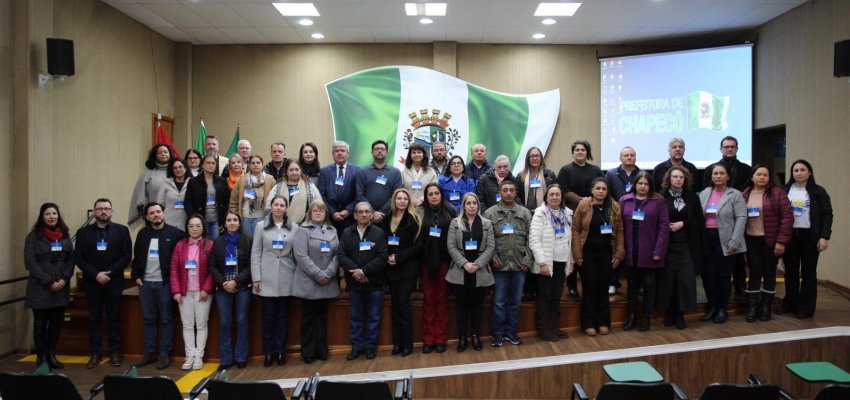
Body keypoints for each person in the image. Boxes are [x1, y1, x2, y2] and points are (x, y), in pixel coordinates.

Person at [74, 198, 132, 369]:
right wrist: (96, 274)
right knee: (94, 318)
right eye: (100, 209)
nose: (103, 211)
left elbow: (126, 255)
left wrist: (110, 273)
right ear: (94, 212)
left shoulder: (121, 231)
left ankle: (115, 353)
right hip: (92, 282)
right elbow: (79, 257)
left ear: (112, 211)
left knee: (114, 317)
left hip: (114, 281)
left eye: (107, 208)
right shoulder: (83, 233)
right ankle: (95, 353)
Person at [131, 202, 186, 369]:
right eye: (152, 213)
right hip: (145, 283)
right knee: (148, 319)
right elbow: (137, 256)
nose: (156, 215)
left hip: (165, 284)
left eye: (158, 211)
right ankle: (149, 353)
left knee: (167, 319)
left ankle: (164, 354)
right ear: (147, 217)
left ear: (163, 213)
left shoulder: (175, 234)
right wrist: (136, 276)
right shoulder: (142, 234)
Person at [779, 160, 832, 319]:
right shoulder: (785, 190)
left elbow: (827, 215)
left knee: (808, 272)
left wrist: (824, 237)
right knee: (791, 271)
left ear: (809, 172)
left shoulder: (818, 191)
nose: (799, 173)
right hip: (790, 236)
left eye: (803, 170)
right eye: (796, 170)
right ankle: (790, 303)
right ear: (792, 173)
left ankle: (806, 307)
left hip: (810, 236)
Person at [24, 203, 75, 370]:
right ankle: (41, 357)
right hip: (41, 288)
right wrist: (49, 281)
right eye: (48, 214)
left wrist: (64, 279)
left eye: (54, 213)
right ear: (42, 216)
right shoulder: (33, 236)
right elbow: (30, 262)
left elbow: (70, 260)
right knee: (40, 323)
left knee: (56, 323)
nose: (52, 216)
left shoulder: (65, 235)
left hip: (61, 287)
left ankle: (51, 354)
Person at [572, 179, 624, 336]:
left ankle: (603, 322)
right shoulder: (584, 205)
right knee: (589, 288)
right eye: (598, 188)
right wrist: (576, 253)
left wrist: (619, 254)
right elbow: (575, 229)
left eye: (604, 189)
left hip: (607, 254)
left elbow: (620, 231)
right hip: (587, 254)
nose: (601, 191)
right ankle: (588, 323)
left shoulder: (614, 207)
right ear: (592, 190)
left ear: (607, 191)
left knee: (603, 288)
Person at [482, 180, 532, 347]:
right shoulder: (489, 214)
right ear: (500, 192)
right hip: (499, 266)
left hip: (519, 265)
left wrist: (527, 261)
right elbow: (487, 240)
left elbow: (531, 239)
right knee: (498, 302)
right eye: (505, 190)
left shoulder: (525, 213)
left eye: (511, 190)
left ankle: (511, 332)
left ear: (515, 193)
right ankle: (498, 334)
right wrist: (492, 257)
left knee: (515, 302)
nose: (509, 193)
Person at [619, 171, 670, 332]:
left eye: (646, 184)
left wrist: (659, 251)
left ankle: (645, 319)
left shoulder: (658, 201)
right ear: (635, 184)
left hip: (650, 252)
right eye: (640, 183)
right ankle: (631, 317)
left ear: (650, 185)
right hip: (630, 251)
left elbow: (664, 227)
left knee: (649, 286)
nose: (642, 186)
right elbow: (619, 226)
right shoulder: (624, 200)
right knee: (632, 286)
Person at [337, 202, 388, 361]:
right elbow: (341, 255)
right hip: (354, 283)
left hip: (374, 283)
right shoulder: (347, 232)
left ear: (372, 214)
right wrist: (357, 272)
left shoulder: (379, 233)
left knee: (373, 317)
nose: (364, 214)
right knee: (356, 317)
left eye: (367, 212)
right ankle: (356, 347)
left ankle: (370, 347)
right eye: (361, 212)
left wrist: (365, 271)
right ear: (355, 215)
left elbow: (382, 257)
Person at [741, 164, 793, 322]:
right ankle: (752, 307)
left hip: (770, 240)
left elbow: (787, 217)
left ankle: (765, 307)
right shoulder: (745, 194)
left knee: (770, 272)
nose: (762, 177)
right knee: (755, 272)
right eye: (758, 174)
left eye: (765, 175)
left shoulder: (778, 194)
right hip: (750, 239)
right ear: (752, 177)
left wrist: (781, 241)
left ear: (769, 178)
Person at [251, 195, 298, 367]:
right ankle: (268, 353)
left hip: (287, 278)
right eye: (276, 204)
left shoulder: (294, 227)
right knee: (268, 319)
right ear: (271, 206)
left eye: (282, 205)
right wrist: (256, 277)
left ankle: (280, 352)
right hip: (266, 279)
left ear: (286, 208)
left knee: (283, 319)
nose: (278, 208)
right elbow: (255, 253)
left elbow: (296, 254)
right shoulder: (260, 226)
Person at [702, 136, 752, 295]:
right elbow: (706, 192)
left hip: (734, 216)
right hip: (714, 221)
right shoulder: (711, 168)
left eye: (732, 146)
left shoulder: (746, 169)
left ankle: (740, 285)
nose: (729, 149)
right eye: (726, 146)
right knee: (713, 266)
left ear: (737, 148)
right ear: (721, 149)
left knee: (736, 257)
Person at [446, 193, 495, 352]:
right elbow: (451, 246)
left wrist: (478, 264)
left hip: (480, 272)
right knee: (461, 307)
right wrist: (465, 264)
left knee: (477, 306)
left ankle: (475, 336)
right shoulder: (455, 223)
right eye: (469, 203)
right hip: (461, 271)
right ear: (464, 205)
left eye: (474, 203)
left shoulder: (487, 223)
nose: (472, 206)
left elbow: (490, 247)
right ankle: (462, 337)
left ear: (478, 206)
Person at [657, 166, 705, 330]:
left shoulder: (692, 197)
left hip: (686, 244)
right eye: (675, 177)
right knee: (668, 280)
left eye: (681, 177)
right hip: (666, 245)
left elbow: (698, 221)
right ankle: (670, 313)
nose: (678, 179)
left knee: (684, 280)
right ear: (668, 179)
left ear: (686, 180)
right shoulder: (660, 197)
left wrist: (682, 223)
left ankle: (680, 314)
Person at [699, 162, 747, 324]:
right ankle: (712, 307)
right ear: (711, 177)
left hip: (726, 239)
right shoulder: (705, 193)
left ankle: (722, 309)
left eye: (721, 173)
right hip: (707, 238)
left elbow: (741, 218)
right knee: (708, 276)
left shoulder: (735, 194)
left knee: (723, 276)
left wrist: (735, 240)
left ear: (728, 177)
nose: (718, 176)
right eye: (715, 174)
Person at [292, 202, 340, 364]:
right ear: (310, 213)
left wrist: (328, 273)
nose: (318, 213)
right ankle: (308, 351)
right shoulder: (302, 230)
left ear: (326, 213)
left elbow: (337, 255)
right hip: (309, 282)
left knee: (322, 317)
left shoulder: (333, 230)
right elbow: (301, 256)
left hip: (327, 281)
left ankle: (321, 350)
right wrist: (319, 274)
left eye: (321, 211)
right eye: (315, 211)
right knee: (308, 318)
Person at [557, 139, 603, 298]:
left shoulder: (596, 170)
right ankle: (571, 285)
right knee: (573, 247)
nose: (580, 152)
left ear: (587, 152)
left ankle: (590, 284)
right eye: (577, 150)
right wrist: (583, 201)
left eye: (583, 150)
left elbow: (601, 188)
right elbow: (563, 189)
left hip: (592, 215)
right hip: (572, 214)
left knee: (588, 248)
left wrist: (589, 202)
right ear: (572, 152)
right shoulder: (566, 169)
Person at [529, 185, 575, 341]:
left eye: (557, 194)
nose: (555, 197)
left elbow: (570, 240)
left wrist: (571, 262)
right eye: (551, 195)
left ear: (561, 197)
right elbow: (534, 240)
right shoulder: (540, 214)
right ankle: (544, 329)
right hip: (547, 262)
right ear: (546, 197)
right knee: (545, 296)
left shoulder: (568, 214)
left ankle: (554, 327)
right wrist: (542, 263)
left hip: (562, 261)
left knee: (556, 296)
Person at [381, 189, 422, 357]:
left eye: (406, 198)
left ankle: (407, 344)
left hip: (407, 268)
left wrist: (398, 257)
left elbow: (418, 246)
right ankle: (397, 343)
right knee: (395, 307)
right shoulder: (387, 218)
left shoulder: (414, 219)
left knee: (403, 305)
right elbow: (381, 241)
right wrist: (388, 257)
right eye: (400, 198)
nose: (403, 201)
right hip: (391, 269)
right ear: (394, 200)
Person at [209, 211, 253, 370]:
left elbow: (250, 265)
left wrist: (236, 281)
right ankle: (226, 359)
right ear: (224, 224)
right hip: (222, 288)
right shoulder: (218, 242)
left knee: (242, 322)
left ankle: (241, 357)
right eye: (229, 220)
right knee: (225, 323)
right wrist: (223, 282)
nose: (232, 222)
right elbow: (212, 266)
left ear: (240, 223)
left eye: (235, 220)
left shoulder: (247, 241)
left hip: (242, 287)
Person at [170, 215, 214, 370]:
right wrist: (176, 291)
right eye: (191, 226)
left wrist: (206, 289)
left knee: (201, 325)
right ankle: (189, 355)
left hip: (202, 292)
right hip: (184, 292)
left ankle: (198, 356)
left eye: (197, 226)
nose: (194, 229)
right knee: (187, 325)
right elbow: (174, 269)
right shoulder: (180, 245)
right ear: (187, 228)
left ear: (203, 227)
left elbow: (212, 270)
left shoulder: (210, 245)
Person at [419, 183, 457, 353]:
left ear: (441, 194)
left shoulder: (450, 212)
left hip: (444, 263)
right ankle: (428, 339)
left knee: (441, 301)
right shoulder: (420, 213)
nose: (434, 196)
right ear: (425, 197)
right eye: (430, 194)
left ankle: (440, 338)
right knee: (428, 301)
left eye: (436, 193)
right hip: (426, 264)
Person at [515, 146, 556, 302]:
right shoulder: (521, 175)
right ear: (528, 158)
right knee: (528, 250)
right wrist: (525, 211)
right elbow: (517, 196)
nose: (534, 158)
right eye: (531, 156)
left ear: (541, 157)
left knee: (542, 249)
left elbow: (554, 194)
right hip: (526, 216)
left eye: (537, 156)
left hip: (544, 215)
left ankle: (540, 287)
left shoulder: (549, 174)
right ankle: (528, 288)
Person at [605, 146, 639, 295]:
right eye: (626, 155)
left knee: (635, 251)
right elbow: (606, 195)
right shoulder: (611, 174)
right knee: (615, 251)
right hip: (616, 218)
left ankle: (637, 285)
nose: (629, 158)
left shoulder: (641, 174)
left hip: (636, 219)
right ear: (620, 158)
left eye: (632, 155)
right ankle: (613, 282)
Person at [318, 141, 361, 234]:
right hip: (330, 219)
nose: (339, 153)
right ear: (332, 154)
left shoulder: (358, 171)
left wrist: (348, 210)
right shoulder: (324, 171)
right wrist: (332, 212)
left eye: (342, 150)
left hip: (350, 218)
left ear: (348, 153)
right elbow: (321, 195)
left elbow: (359, 194)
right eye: (336, 151)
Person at [356, 140, 402, 224]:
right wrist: (372, 212)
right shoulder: (363, 171)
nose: (379, 151)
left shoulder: (395, 172)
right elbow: (359, 194)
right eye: (376, 149)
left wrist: (382, 213)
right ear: (372, 152)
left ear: (387, 152)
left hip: (389, 217)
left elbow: (396, 195)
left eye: (382, 149)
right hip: (367, 217)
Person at [229, 154, 275, 238]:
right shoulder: (242, 179)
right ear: (249, 166)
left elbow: (275, 199)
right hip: (245, 216)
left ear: (262, 165)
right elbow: (233, 200)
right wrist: (236, 216)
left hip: (262, 216)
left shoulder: (270, 179)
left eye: (258, 162)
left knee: (259, 242)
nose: (255, 165)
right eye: (253, 163)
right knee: (247, 242)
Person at [185, 154, 229, 240]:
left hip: (216, 220)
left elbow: (227, 201)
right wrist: (194, 217)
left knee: (214, 245)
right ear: (202, 165)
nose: (210, 165)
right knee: (201, 245)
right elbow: (188, 202)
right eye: (208, 162)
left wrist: (224, 220)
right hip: (200, 220)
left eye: (213, 163)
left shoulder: (222, 181)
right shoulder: (194, 182)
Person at [129, 144, 176, 226]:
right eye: (160, 153)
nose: (163, 154)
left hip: (175, 216)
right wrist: (149, 211)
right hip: (154, 217)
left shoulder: (177, 171)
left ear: (170, 154)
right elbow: (141, 197)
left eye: (165, 152)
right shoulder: (147, 173)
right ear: (155, 156)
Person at [268, 159, 322, 224]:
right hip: (281, 226)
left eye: (296, 170)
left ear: (300, 170)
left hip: (304, 226)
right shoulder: (277, 187)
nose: (294, 172)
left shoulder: (309, 186)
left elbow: (319, 205)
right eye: (291, 170)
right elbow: (269, 206)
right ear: (286, 171)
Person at [401, 143, 438, 210]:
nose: (416, 154)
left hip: (426, 207)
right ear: (410, 155)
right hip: (408, 206)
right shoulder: (404, 171)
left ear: (423, 155)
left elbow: (434, 190)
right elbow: (401, 189)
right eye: (414, 152)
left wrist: (421, 200)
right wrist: (409, 200)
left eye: (419, 152)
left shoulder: (431, 171)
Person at [157, 158, 190, 231]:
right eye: (175, 168)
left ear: (185, 168)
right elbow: (160, 204)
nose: (178, 170)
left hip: (186, 222)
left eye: (180, 167)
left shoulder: (191, 183)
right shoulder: (165, 184)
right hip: (168, 221)